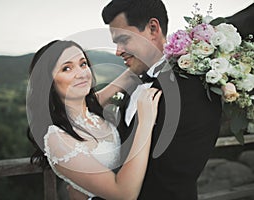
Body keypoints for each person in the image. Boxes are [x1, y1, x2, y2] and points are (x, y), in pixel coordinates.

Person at [68, 0, 223, 199]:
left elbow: (169, 180)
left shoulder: (190, 89)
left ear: (152, 28)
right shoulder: (137, 81)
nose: (118, 51)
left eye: (123, 39)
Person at [26, 40, 162, 199]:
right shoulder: (57, 139)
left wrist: (175, 50)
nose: (81, 73)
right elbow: (124, 194)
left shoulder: (92, 105)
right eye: (67, 68)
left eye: (83, 64)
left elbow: (130, 75)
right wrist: (145, 124)